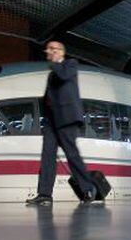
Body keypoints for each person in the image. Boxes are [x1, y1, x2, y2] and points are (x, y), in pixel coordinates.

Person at [26, 41, 96, 206]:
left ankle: (88, 188)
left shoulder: (70, 65)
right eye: (48, 49)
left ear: (61, 52)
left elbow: (64, 76)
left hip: (67, 118)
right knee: (47, 157)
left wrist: (56, 62)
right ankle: (44, 194)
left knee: (72, 155)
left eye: (52, 49)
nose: (49, 52)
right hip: (52, 121)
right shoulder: (52, 73)